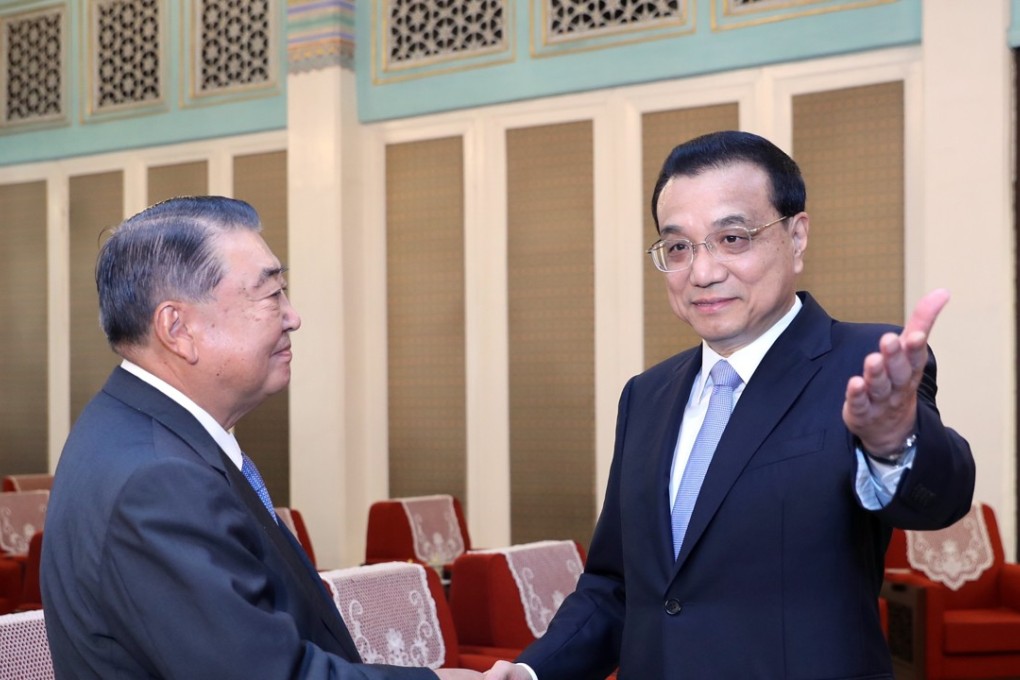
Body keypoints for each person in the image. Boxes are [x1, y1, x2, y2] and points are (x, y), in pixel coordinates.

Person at [485, 131, 975, 680]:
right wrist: (531, 673)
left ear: (796, 236)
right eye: (678, 247)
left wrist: (891, 440)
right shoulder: (645, 396)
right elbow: (618, 587)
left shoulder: (861, 364)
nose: (703, 272)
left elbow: (940, 502)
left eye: (733, 238)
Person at [41, 196, 480, 680]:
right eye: (272, 296)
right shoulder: (158, 479)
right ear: (177, 328)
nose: (293, 317)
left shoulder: (142, 434)